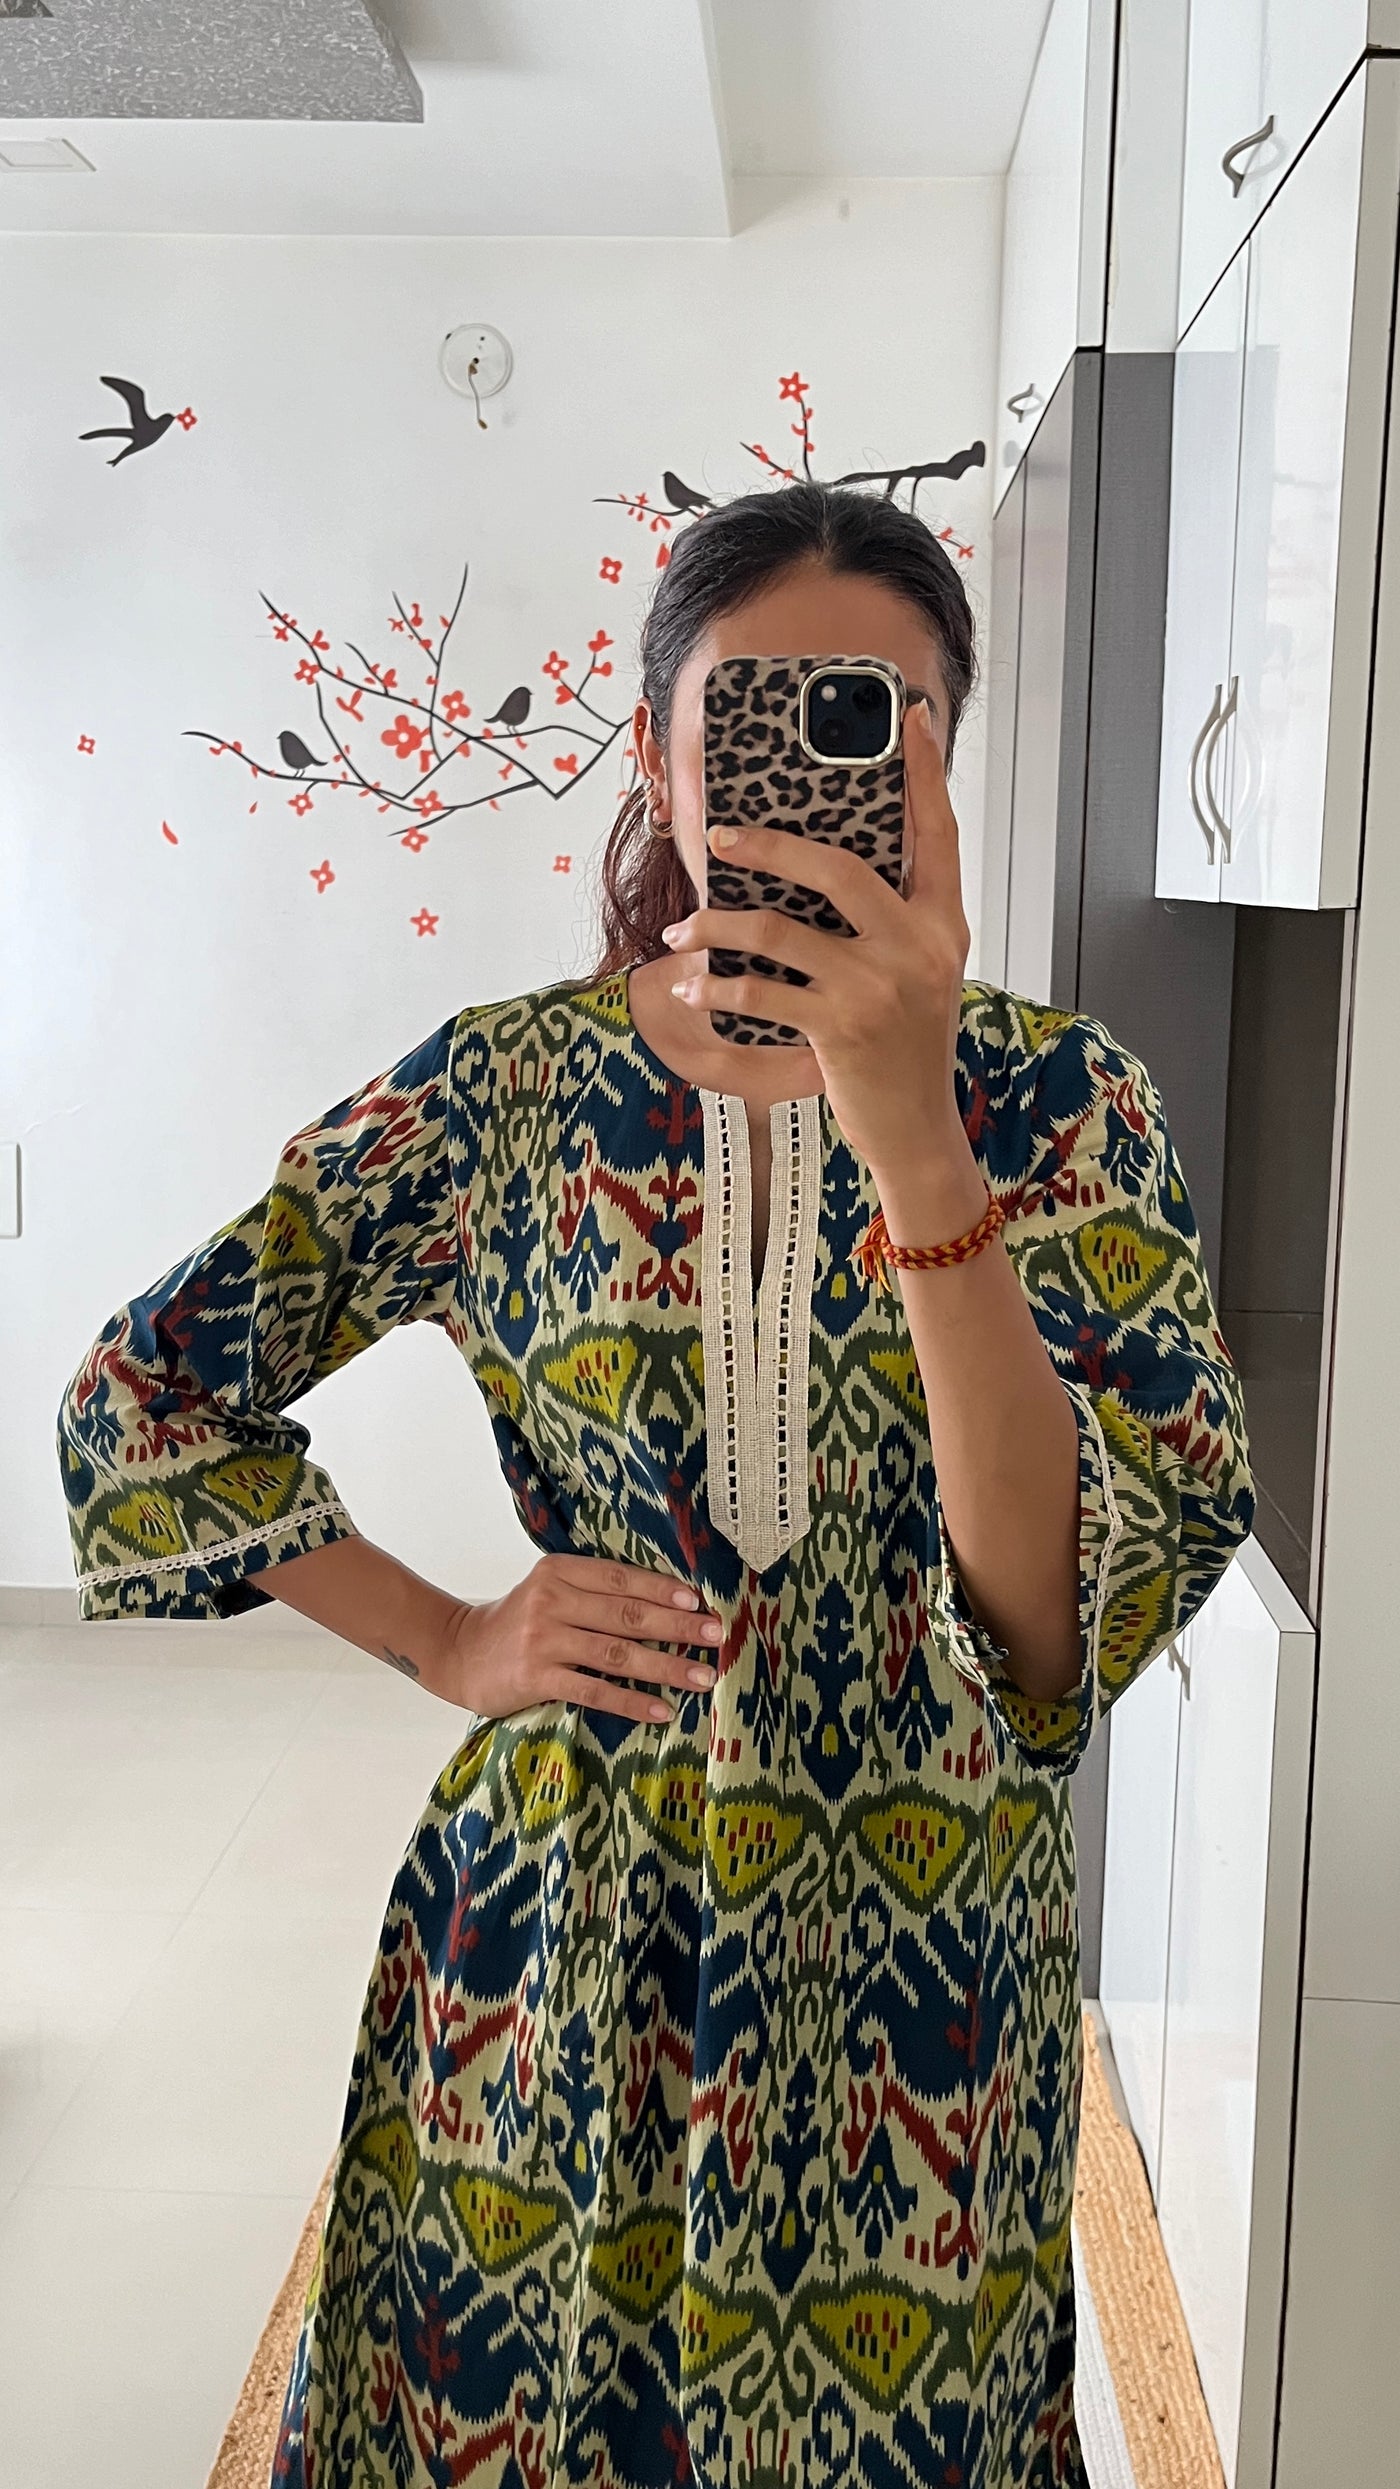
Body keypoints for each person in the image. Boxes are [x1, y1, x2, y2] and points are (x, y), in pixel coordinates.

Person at [56, 481, 1254, 2489]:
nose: (812, 771)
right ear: (657, 751)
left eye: (878, 720)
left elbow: (1053, 1635)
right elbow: (143, 1396)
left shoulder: (1064, 1103)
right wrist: (450, 1636)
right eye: (754, 719)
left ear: (945, 764)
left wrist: (918, 1143)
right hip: (561, 1948)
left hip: (917, 1988)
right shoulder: (503, 1091)